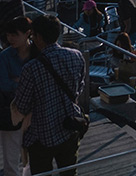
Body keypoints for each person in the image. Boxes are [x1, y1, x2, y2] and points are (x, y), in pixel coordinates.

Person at [11, 15, 88, 176]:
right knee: (69, 172)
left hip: (42, 134)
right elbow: (79, 89)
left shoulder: (31, 68)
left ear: (38, 37)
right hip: (70, 126)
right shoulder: (76, 56)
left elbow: (23, 106)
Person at [0, 16, 33, 176]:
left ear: (28, 33)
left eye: (14, 34)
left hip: (33, 110)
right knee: (10, 157)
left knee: (34, 155)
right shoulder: (4, 56)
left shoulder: (37, 54)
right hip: (12, 109)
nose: (10, 39)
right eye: (8, 35)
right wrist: (27, 83)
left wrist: (17, 81)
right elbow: (4, 85)